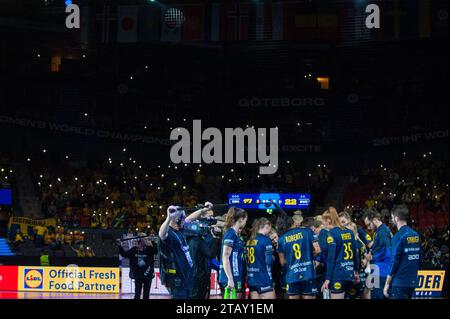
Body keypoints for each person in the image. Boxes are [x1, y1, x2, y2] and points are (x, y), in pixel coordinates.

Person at [158, 202, 213, 299]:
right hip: (177, 280)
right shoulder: (169, 233)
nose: (185, 221)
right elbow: (162, 234)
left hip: (186, 279)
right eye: (183, 219)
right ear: (177, 220)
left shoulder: (181, 229)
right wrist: (169, 217)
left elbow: (190, 218)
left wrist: (203, 210)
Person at [278, 211, 321, 299]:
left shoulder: (281, 239)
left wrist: (292, 261)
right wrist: (309, 256)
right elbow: (318, 250)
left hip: (292, 275)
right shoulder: (307, 231)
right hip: (308, 273)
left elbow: (282, 262)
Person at [321, 207, 360, 299]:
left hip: (337, 275)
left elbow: (331, 258)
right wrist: (356, 271)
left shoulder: (332, 233)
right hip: (349, 274)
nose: (323, 224)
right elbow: (355, 255)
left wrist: (327, 279)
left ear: (328, 220)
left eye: (324, 221)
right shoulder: (350, 232)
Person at [384, 206, 420, 299]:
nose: (392, 220)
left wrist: (387, 283)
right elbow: (419, 257)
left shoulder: (398, 236)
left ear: (396, 218)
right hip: (412, 281)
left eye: (392, 217)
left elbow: (394, 261)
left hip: (399, 282)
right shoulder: (416, 235)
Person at [219, 207, 248, 299]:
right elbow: (225, 256)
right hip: (231, 278)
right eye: (245, 220)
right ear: (241, 219)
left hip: (237, 276)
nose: (245, 223)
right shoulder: (230, 234)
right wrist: (230, 279)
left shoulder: (236, 234)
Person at [363, 209, 392, 299]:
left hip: (381, 271)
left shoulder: (382, 231)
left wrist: (372, 257)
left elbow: (387, 252)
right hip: (378, 270)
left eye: (369, 224)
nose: (368, 228)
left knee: (377, 296)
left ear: (375, 219)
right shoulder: (380, 231)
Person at [119, 234, 157, 299]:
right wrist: (120, 245)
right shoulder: (134, 250)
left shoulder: (149, 249)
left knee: (146, 295)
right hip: (138, 276)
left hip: (148, 276)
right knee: (137, 294)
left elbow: (156, 251)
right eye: (144, 238)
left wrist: (153, 241)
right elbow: (124, 254)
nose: (146, 240)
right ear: (140, 240)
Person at [246, 217, 275, 299]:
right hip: (264, 278)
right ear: (266, 226)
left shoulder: (249, 240)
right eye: (269, 229)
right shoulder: (266, 240)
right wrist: (273, 257)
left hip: (252, 279)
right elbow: (269, 262)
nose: (269, 231)